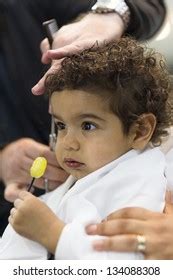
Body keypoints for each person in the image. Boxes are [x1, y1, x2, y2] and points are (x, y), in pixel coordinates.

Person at [0, 0, 166, 237]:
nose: (67, 143)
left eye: (87, 125)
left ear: (139, 131)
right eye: (60, 126)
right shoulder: (49, 203)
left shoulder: (148, 185)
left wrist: (107, 14)